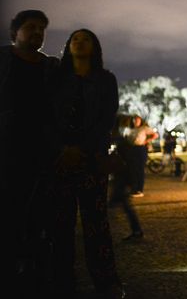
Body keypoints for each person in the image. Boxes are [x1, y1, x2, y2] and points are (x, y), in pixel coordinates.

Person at [51, 28, 124, 298]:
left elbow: (106, 117)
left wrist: (82, 148)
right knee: (61, 224)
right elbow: (48, 116)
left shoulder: (105, 80)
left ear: (95, 47)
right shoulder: (57, 78)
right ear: (68, 46)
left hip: (92, 159)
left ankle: (106, 282)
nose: (80, 42)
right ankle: (62, 281)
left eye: (86, 39)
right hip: (59, 159)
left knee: (97, 223)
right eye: (75, 39)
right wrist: (62, 147)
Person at [0, 10, 59, 293]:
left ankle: (37, 274)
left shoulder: (51, 68)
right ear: (15, 33)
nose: (37, 32)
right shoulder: (3, 60)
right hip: (8, 151)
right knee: (9, 213)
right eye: (31, 27)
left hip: (43, 153)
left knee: (40, 216)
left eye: (41, 29)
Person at [108, 114, 144, 241]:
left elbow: (128, 162)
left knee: (117, 204)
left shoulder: (120, 140)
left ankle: (135, 230)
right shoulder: (121, 139)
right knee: (122, 204)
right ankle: (136, 230)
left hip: (122, 177)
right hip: (122, 177)